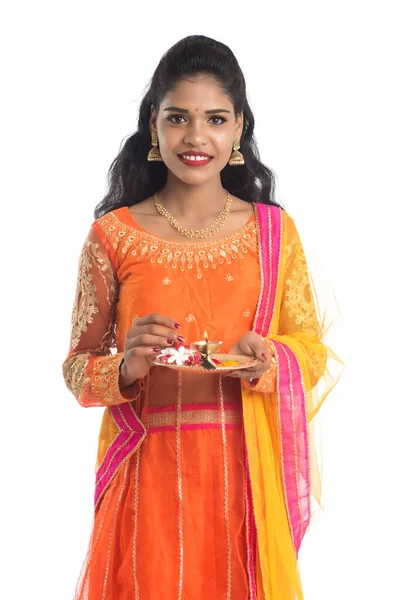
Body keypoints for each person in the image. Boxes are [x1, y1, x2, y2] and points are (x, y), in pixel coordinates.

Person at [62, 34, 342, 600]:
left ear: (239, 128)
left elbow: (311, 352)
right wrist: (126, 367)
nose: (196, 137)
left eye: (215, 118)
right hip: (149, 480)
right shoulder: (114, 236)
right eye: (178, 118)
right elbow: (76, 369)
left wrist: (269, 359)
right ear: (153, 125)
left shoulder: (273, 233)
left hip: (244, 477)